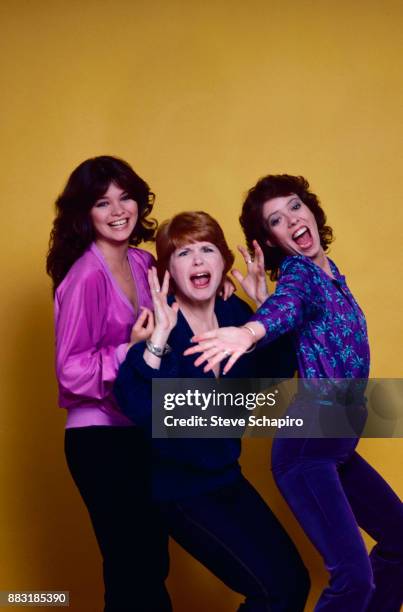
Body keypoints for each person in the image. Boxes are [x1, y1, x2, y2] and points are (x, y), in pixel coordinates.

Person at [185, 175, 403, 611]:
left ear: (311, 211)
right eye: (277, 220)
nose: (293, 220)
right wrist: (249, 331)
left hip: (337, 440)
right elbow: (288, 305)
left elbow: (287, 312)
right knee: (353, 579)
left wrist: (262, 306)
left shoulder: (331, 275)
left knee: (400, 543)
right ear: (272, 239)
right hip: (309, 447)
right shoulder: (300, 273)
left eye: (295, 207)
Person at [114, 211, 310, 612]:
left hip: (226, 478)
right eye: (184, 253)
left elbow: (275, 373)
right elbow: (137, 406)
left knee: (294, 583)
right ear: (169, 269)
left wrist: (266, 309)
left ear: (224, 261)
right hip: (179, 490)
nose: (199, 261)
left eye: (207, 249)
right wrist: (158, 343)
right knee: (273, 591)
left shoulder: (236, 315)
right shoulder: (161, 322)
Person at [46, 155, 171, 612]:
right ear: (86, 214)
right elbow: (70, 370)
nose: (119, 210)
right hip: (98, 439)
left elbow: (181, 304)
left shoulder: (142, 262)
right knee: (131, 564)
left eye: (125, 197)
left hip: (140, 428)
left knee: (150, 561)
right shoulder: (83, 277)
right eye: (103, 202)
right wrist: (130, 350)